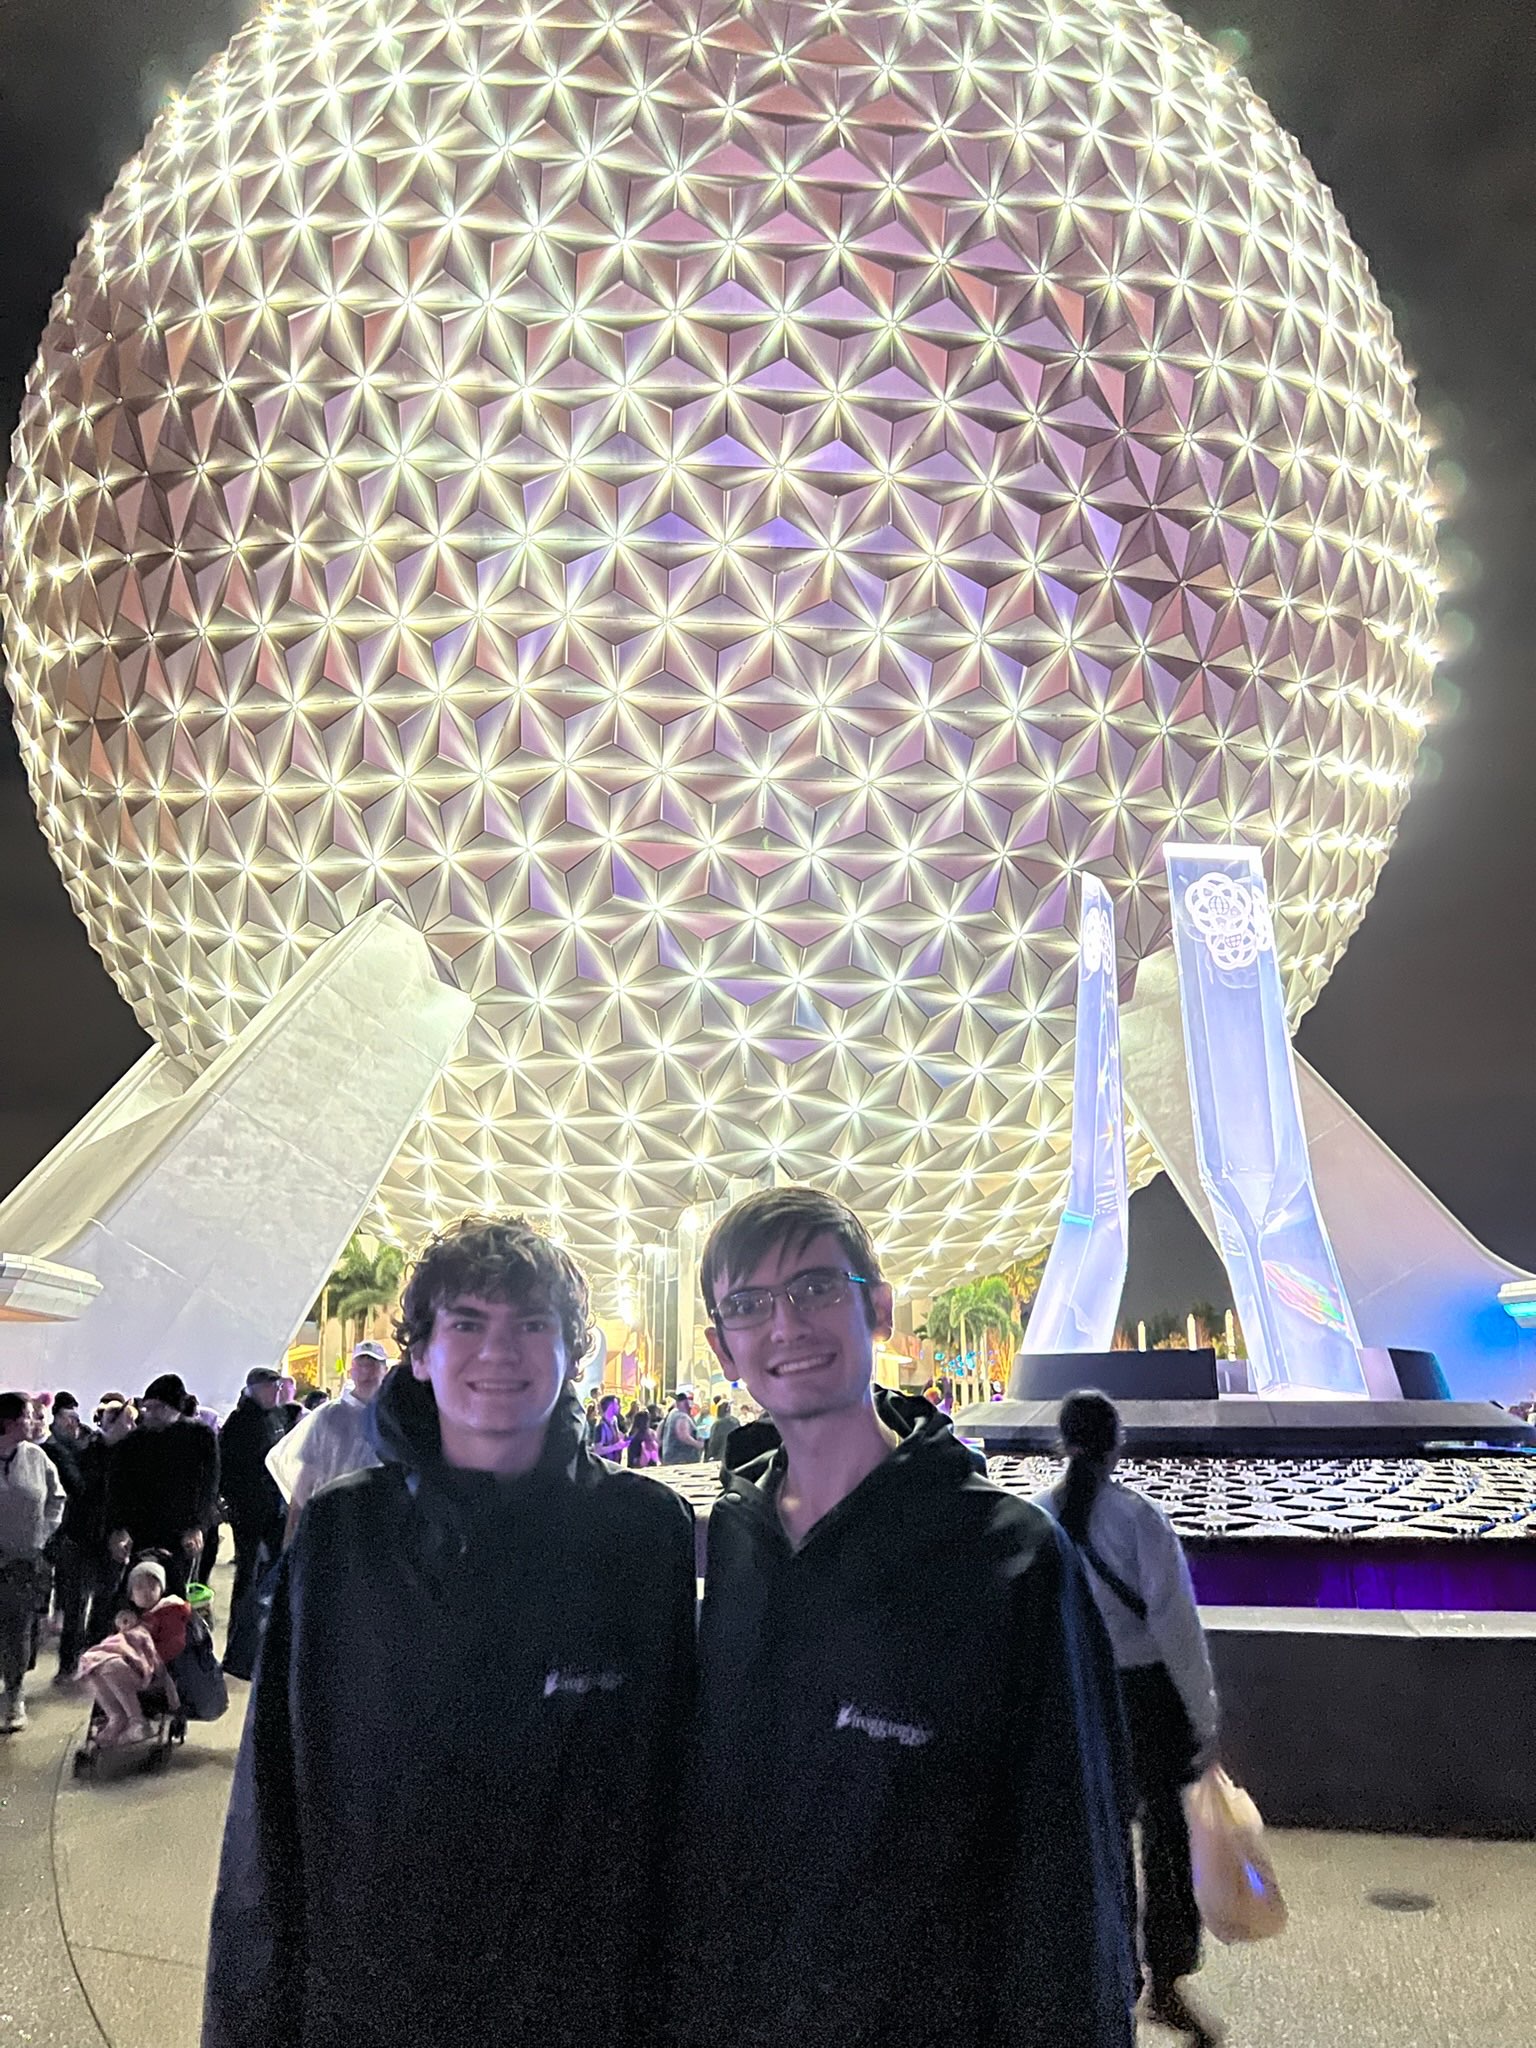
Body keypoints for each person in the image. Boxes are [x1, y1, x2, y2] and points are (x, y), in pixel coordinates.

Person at [204, 1212, 698, 2048]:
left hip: (578, 2008)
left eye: (531, 1325)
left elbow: (673, 1804)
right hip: (371, 2003)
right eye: (467, 1323)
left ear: (573, 1359)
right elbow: (270, 1814)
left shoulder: (641, 1537)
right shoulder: (342, 1539)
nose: (499, 1351)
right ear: (421, 1355)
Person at [668, 1186, 1136, 2048]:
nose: (786, 1326)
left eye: (814, 1288)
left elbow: (1073, 1867)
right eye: (749, 1304)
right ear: (721, 1347)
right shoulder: (735, 1536)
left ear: (877, 1309)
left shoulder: (1010, 1554)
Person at [1034, 1392, 1222, 2048]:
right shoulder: (1142, 1521)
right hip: (1146, 1696)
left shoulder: (1036, 1519)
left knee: (1101, 1839)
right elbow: (1177, 1627)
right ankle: (1166, 1976)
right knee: (1167, 1840)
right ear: (1117, 1445)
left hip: (1077, 1694)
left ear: (1063, 1443)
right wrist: (1202, 1712)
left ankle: (1106, 1973)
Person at [104, 1374, 219, 1598]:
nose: (150, 1414)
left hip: (182, 1531)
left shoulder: (200, 1437)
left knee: (176, 1598)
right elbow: (118, 1487)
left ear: (174, 1408)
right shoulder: (134, 1441)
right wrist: (117, 1528)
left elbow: (208, 1486)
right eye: (147, 1408)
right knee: (141, 1595)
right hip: (142, 1531)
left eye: (157, 1408)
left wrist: (197, 1525)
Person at [266, 1340, 389, 1542]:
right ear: (352, 1371)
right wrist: (292, 1533)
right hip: (330, 1523)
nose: (367, 1371)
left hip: (377, 1527)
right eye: (361, 1365)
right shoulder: (329, 1416)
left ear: (385, 1370)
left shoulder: (391, 1417)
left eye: (373, 1365)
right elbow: (305, 1477)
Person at [0, 1391, 67, 1732]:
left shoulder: (38, 1458)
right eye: (28, 1415)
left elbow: (57, 1498)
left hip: (24, 1561)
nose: (35, 1421)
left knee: (18, 1630)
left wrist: (42, 1536)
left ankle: (13, 1695)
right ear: (8, 1422)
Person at [76, 1555, 191, 1747]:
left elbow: (173, 1646)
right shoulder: (131, 1618)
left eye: (152, 1587)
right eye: (139, 1588)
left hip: (154, 1672)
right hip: (130, 1666)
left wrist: (139, 1651)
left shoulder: (170, 1613)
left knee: (110, 1666)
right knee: (91, 1665)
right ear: (131, 1595)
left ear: (161, 1591)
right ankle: (116, 1716)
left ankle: (137, 1721)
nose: (146, 1592)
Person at [218, 1368, 292, 1642]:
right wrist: (236, 1503)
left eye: (278, 1387)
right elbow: (227, 1468)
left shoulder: (278, 1416)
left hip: (275, 1507)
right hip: (250, 1511)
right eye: (271, 1387)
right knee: (248, 1575)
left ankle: (266, 1634)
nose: (277, 1392)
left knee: (273, 1571)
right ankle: (241, 1641)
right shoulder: (240, 1422)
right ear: (255, 1389)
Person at [659, 1391, 705, 1464]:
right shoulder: (682, 1416)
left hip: (671, 1458)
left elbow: (658, 1432)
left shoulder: (671, 1414)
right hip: (682, 1459)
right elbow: (683, 1436)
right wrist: (698, 1444)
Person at [590, 1392, 627, 1463]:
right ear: (610, 1406)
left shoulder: (614, 1421)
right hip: (605, 1465)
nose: (619, 1406)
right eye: (616, 1404)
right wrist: (616, 1446)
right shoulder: (601, 1426)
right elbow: (597, 1450)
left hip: (615, 1462)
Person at [704, 1398, 738, 1464]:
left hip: (720, 1456)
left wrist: (709, 1456)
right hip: (734, 1455)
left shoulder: (717, 1424)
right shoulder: (735, 1421)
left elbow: (713, 1442)